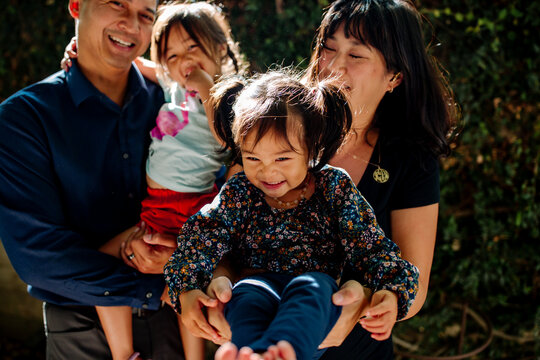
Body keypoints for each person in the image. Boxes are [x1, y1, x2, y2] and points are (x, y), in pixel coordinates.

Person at [194, 0, 458, 359]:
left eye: (357, 55)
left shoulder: (410, 160)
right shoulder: (274, 127)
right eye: (329, 48)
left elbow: (415, 285)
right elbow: (225, 235)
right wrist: (217, 284)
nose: (334, 66)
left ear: (394, 76)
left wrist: (366, 300)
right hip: (255, 338)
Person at [163, 70, 420, 360]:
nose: (268, 171)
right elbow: (201, 236)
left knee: (312, 289)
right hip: (258, 283)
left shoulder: (333, 187)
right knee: (246, 294)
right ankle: (252, 354)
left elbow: (371, 247)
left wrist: (393, 292)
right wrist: (186, 289)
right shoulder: (241, 191)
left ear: (311, 147)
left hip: (317, 295)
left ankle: (285, 353)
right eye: (252, 158)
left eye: (282, 158)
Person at [1, 0, 183, 359]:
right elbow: (39, 258)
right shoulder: (23, 119)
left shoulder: (175, 103)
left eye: (146, 14)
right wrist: (154, 288)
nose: (131, 24)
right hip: (80, 330)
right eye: (116, 3)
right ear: (75, 5)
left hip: (172, 325)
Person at [85, 2, 246, 359]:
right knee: (102, 265)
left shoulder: (231, 94)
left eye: (193, 47)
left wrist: (206, 84)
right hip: (157, 206)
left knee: (185, 283)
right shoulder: (174, 82)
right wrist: (79, 48)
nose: (182, 61)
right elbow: (139, 64)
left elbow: (227, 136)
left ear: (220, 47)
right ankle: (123, 353)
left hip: (191, 208)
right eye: (171, 54)